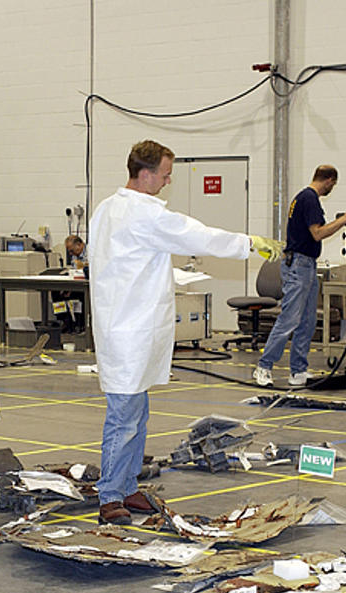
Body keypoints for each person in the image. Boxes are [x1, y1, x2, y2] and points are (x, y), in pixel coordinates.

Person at [89, 140, 270, 525]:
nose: (168, 181)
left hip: (129, 324)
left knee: (137, 414)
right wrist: (249, 243)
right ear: (146, 173)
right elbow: (197, 235)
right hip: (127, 328)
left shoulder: (109, 208)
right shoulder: (141, 213)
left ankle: (128, 487)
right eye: (165, 175)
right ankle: (109, 496)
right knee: (124, 417)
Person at [253, 166, 346, 388]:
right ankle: (263, 367)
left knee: (308, 321)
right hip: (299, 266)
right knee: (290, 319)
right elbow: (318, 233)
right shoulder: (309, 198)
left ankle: (298, 371)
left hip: (307, 265)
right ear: (329, 180)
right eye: (333, 184)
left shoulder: (304, 198)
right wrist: (345, 219)